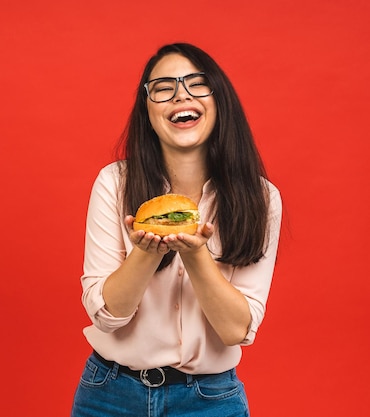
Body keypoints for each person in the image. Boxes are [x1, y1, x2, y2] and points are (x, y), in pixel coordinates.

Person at [71, 43, 282, 417]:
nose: (181, 94)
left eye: (196, 84)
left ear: (219, 100)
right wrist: (145, 253)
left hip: (210, 400)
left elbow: (236, 330)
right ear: (147, 110)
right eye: (163, 87)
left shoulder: (261, 198)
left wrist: (195, 253)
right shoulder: (114, 183)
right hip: (110, 394)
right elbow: (105, 315)